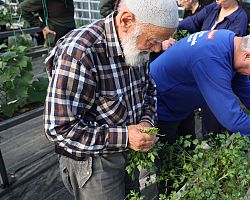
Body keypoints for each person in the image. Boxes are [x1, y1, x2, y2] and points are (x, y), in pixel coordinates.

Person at [43, 0, 178, 199]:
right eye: (152, 40)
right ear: (126, 20)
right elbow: (59, 128)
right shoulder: (81, 52)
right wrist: (126, 137)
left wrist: (146, 121)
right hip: (93, 161)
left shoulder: (136, 45)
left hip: (128, 151)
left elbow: (148, 89)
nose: (157, 49)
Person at [151, 29, 250, 146]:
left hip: (180, 103)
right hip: (161, 103)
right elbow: (231, 118)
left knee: (186, 149)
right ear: (248, 56)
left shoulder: (232, 43)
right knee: (170, 159)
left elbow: (242, 85)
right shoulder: (212, 59)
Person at [178, 0, 248, 36]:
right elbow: (193, 21)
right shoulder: (213, 7)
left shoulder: (240, 17)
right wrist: (174, 27)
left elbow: (228, 45)